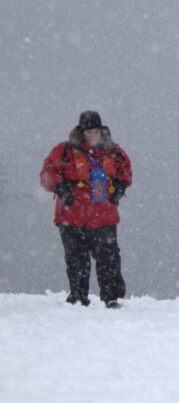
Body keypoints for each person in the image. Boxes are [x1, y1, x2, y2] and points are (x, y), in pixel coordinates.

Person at [40, 111, 132, 308]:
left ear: (101, 130)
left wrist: (120, 186)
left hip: (104, 216)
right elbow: (47, 174)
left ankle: (111, 297)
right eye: (89, 131)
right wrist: (60, 186)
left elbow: (126, 172)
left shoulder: (114, 151)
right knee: (76, 260)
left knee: (108, 258)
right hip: (72, 216)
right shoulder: (63, 151)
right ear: (82, 132)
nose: (93, 135)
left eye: (96, 131)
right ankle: (78, 296)